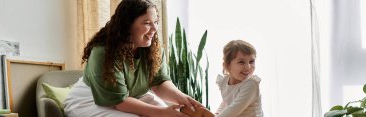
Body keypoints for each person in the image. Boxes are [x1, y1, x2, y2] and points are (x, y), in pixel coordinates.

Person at [64, 0, 202, 116]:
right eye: (147, 23)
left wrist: (183, 99)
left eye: (156, 21)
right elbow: (119, 101)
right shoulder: (103, 53)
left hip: (131, 96)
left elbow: (159, 83)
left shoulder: (153, 49)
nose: (155, 28)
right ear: (127, 25)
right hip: (90, 99)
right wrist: (161, 112)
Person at [215, 40, 263, 117]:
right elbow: (225, 103)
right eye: (241, 62)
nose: (248, 67)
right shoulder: (224, 82)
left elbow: (233, 110)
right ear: (227, 65)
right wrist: (216, 114)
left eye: (251, 61)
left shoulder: (251, 84)